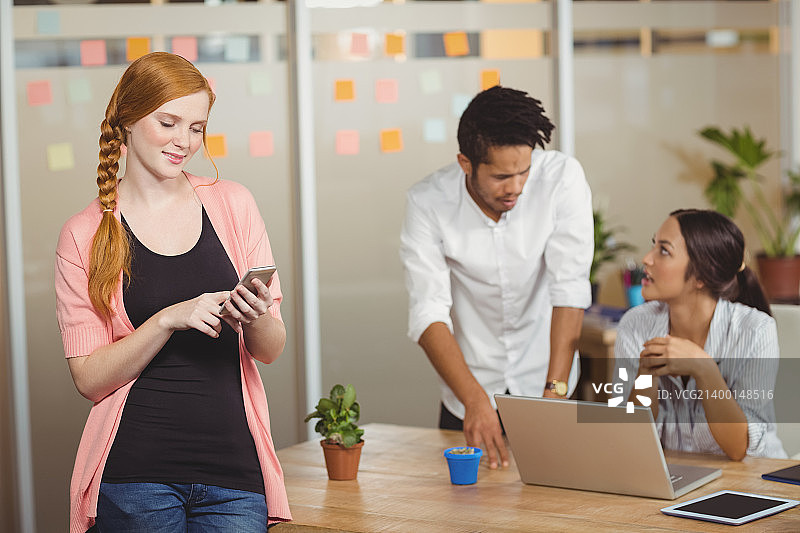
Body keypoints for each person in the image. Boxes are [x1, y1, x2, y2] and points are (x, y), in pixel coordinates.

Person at [54, 52, 291, 532]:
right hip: (136, 474)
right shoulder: (84, 234)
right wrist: (166, 319)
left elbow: (270, 350)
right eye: (169, 123)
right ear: (127, 119)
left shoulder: (234, 204)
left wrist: (257, 315)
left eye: (197, 128)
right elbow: (89, 379)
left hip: (234, 474)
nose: (184, 141)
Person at [399, 86, 593, 469]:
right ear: (465, 163)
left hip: (549, 383)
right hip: (469, 394)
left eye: (524, 171)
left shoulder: (562, 179)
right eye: (502, 176)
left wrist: (554, 395)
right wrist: (474, 399)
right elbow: (427, 312)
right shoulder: (427, 203)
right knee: (464, 503)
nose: (516, 187)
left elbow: (569, 289)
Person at [614, 209, 786, 460]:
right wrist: (646, 373)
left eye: (664, 251)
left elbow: (738, 448)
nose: (646, 259)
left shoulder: (756, 330)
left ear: (702, 275)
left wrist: (703, 368)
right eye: (653, 246)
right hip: (677, 476)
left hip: (754, 476)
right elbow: (628, 439)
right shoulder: (635, 324)